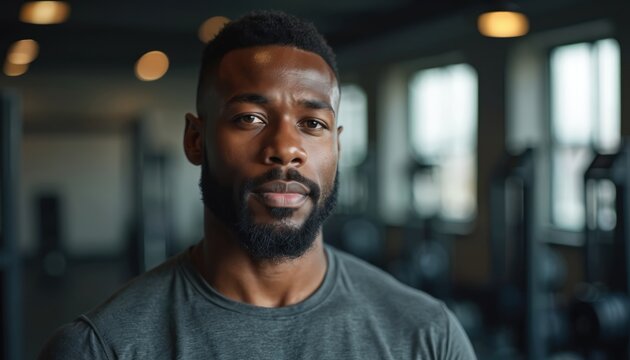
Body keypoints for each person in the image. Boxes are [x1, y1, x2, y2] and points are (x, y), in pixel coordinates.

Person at [39, 10, 476, 359]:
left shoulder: (427, 335)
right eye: (250, 118)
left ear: (337, 147)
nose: (286, 148)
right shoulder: (100, 347)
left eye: (312, 123)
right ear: (195, 139)